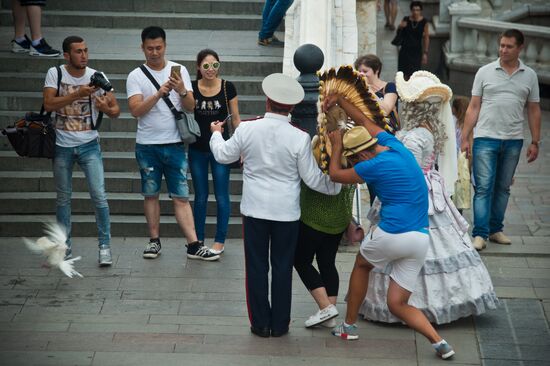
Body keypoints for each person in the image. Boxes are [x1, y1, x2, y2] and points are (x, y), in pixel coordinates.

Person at [358, 71, 498, 326]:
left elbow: (404, 166)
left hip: (411, 190)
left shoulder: (414, 136)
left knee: (412, 241)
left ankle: (412, 304)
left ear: (414, 106)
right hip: (428, 187)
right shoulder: (428, 129)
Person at [210, 73, 341, 338]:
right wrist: (337, 182)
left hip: (255, 209)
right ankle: (280, 324)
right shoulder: (299, 137)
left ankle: (260, 323)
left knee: (256, 267)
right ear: (291, 107)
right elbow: (313, 179)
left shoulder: (247, 128)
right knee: (282, 268)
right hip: (286, 212)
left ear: (267, 101)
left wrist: (215, 134)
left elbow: (223, 155)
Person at [323, 114, 454, 359]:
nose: (350, 162)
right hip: (420, 238)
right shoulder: (397, 146)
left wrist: (338, 146)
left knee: (362, 265)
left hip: (392, 233)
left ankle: (349, 326)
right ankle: (440, 343)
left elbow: (334, 175)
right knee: (398, 303)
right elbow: (363, 117)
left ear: (360, 155)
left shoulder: (368, 166)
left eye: (351, 158)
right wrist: (342, 101)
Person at [126, 26, 219, 261]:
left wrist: (181, 90)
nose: (154, 52)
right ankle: (154, 240)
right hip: (147, 144)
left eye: (158, 48)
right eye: (150, 48)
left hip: (175, 143)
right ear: (142, 48)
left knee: (181, 196)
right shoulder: (135, 76)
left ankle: (193, 244)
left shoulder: (179, 71)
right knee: (151, 193)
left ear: (165, 46)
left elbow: (190, 106)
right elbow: (136, 110)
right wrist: (158, 94)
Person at [461, 29, 541, 251]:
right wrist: (466, 136)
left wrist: (535, 141)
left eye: (509, 46)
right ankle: (479, 234)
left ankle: (496, 229)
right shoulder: (484, 72)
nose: (503, 50)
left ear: (520, 48)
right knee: (484, 187)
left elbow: (534, 109)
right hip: (485, 137)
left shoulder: (530, 75)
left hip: (514, 140)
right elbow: (473, 105)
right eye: (501, 45)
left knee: (503, 187)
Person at [43, 35, 120, 266]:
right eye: (78, 51)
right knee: (63, 200)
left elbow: (116, 110)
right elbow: (48, 104)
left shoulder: (98, 76)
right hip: (61, 145)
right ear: (67, 55)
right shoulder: (55, 73)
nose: (84, 55)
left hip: (89, 145)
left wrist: (105, 107)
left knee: (99, 197)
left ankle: (104, 247)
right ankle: (64, 248)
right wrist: (77, 94)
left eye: (86, 50)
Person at [294, 105, 356, 329]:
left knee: (300, 260)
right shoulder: (352, 145)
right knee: (327, 262)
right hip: (339, 218)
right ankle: (328, 315)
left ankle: (326, 307)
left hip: (314, 216)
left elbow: (310, 177)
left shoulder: (317, 145)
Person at [189, 48, 241, 255]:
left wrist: (240, 143)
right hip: (197, 148)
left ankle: (220, 239)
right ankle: (198, 239)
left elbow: (235, 118)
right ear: (199, 68)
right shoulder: (192, 88)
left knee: (222, 195)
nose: (211, 70)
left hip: (222, 149)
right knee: (200, 195)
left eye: (215, 65)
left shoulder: (228, 87)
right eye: (206, 66)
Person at [355, 54, 399, 204]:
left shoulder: (389, 87)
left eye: (365, 71)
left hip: (386, 142)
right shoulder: (357, 92)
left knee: (387, 183)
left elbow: (385, 109)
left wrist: (368, 90)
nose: (362, 74)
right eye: (359, 71)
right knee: (373, 187)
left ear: (376, 70)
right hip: (368, 143)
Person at [397, 1, 429, 80]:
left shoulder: (424, 22)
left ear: (420, 11)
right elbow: (398, 33)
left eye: (417, 10)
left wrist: (425, 52)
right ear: (411, 10)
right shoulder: (406, 19)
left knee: (414, 74)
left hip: (416, 51)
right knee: (403, 73)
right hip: (405, 49)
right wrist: (400, 26)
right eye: (414, 10)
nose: (415, 12)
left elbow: (426, 37)